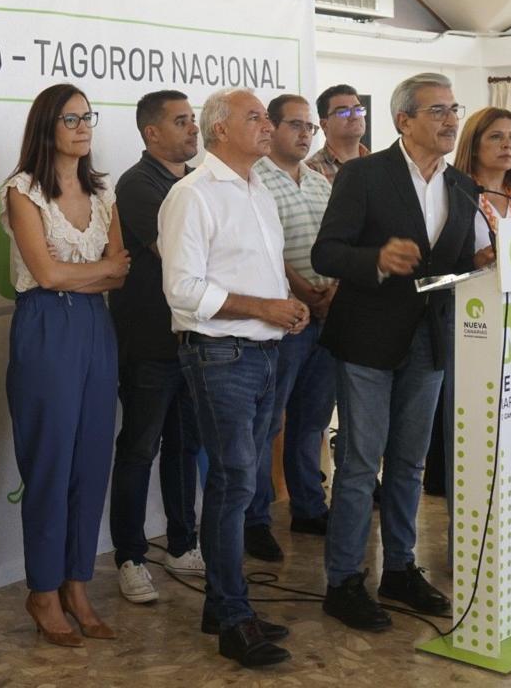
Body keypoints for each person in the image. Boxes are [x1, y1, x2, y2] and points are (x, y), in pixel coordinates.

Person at [311, 72, 475, 631]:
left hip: (430, 342)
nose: (451, 119)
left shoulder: (464, 186)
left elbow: (451, 263)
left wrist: (482, 264)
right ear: (404, 120)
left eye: (454, 108)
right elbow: (327, 252)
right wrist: (377, 259)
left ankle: (400, 570)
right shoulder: (363, 175)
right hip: (367, 340)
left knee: (408, 463)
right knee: (360, 464)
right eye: (437, 110)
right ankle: (344, 581)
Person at [158, 87, 308, 668]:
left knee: (239, 485)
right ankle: (233, 618)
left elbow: (261, 275)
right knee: (234, 482)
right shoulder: (191, 195)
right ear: (220, 130)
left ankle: (222, 605)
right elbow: (183, 291)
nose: (268, 126)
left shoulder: (258, 190)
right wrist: (263, 308)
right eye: (256, 118)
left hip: (266, 353)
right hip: (221, 356)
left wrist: (285, 304)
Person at [2, 83, 127, 648]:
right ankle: (44, 590)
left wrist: (86, 273)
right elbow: (45, 276)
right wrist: (90, 272)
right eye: (71, 118)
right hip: (46, 326)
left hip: (96, 328)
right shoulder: (22, 190)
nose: (83, 127)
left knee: (92, 458)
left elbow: (120, 272)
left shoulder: (104, 193)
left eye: (87, 118)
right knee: (51, 461)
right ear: (46, 126)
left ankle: (78, 585)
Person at [108, 90, 204, 605]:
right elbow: (177, 255)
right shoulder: (138, 184)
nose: (193, 130)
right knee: (140, 448)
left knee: (185, 446)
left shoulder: (196, 180)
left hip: (191, 337)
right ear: (152, 133)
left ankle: (183, 543)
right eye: (182, 121)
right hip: (147, 341)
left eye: (193, 120)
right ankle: (129, 555)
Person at [251, 94, 336, 541]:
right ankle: (257, 518)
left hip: (326, 317)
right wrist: (303, 292)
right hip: (281, 319)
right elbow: (266, 248)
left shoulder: (321, 182)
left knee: (312, 419)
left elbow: (337, 243)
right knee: (269, 421)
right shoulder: (255, 179)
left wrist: (330, 292)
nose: (305, 135)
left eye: (310, 128)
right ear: (272, 127)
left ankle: (308, 505)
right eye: (296, 126)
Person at [452, 107, 511, 268]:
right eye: (496, 137)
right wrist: (475, 263)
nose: (507, 145)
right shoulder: (457, 193)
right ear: (474, 146)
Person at [306, 83, 369, 183]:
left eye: (358, 110)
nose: (354, 116)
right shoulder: (311, 170)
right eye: (343, 112)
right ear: (324, 124)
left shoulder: (377, 163)